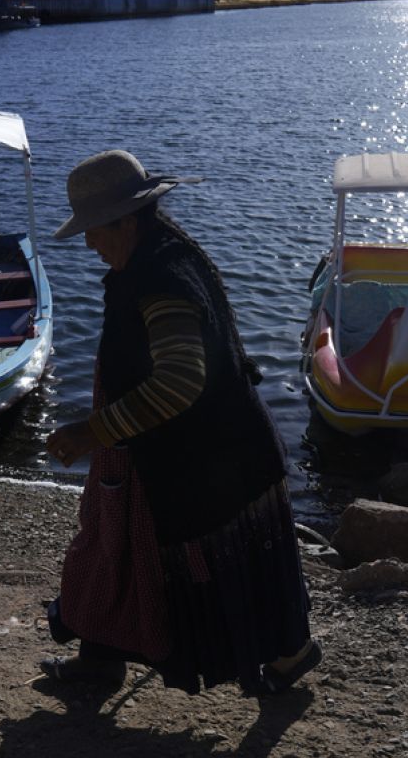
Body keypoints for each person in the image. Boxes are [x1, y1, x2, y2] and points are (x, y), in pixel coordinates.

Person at [42, 149, 320, 695]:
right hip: (202, 453)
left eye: (95, 230)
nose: (89, 243)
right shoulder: (152, 261)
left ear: (128, 220)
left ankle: (288, 652)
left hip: (203, 462)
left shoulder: (162, 280)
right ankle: (103, 657)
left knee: (167, 560)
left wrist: (89, 432)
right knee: (120, 550)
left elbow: (178, 383)